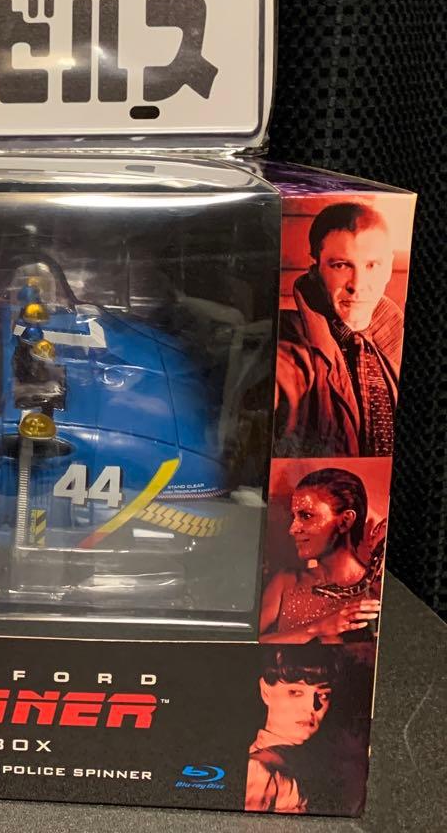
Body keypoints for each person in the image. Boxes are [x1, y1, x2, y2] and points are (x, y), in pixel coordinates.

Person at [275, 202, 403, 457]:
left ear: (389, 267)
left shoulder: (398, 341)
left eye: (372, 265)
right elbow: (282, 368)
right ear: (316, 268)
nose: (358, 284)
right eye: (341, 265)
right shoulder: (289, 334)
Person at [260, 468, 382, 643]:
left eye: (306, 516)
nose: (292, 529)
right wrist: (316, 629)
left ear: (345, 521)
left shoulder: (378, 591)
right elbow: (246, 644)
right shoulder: (286, 582)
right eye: (294, 517)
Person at [245, 648, 337, 813]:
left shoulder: (308, 760)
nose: (312, 706)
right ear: (265, 691)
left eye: (323, 695)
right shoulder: (260, 769)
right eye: (295, 692)